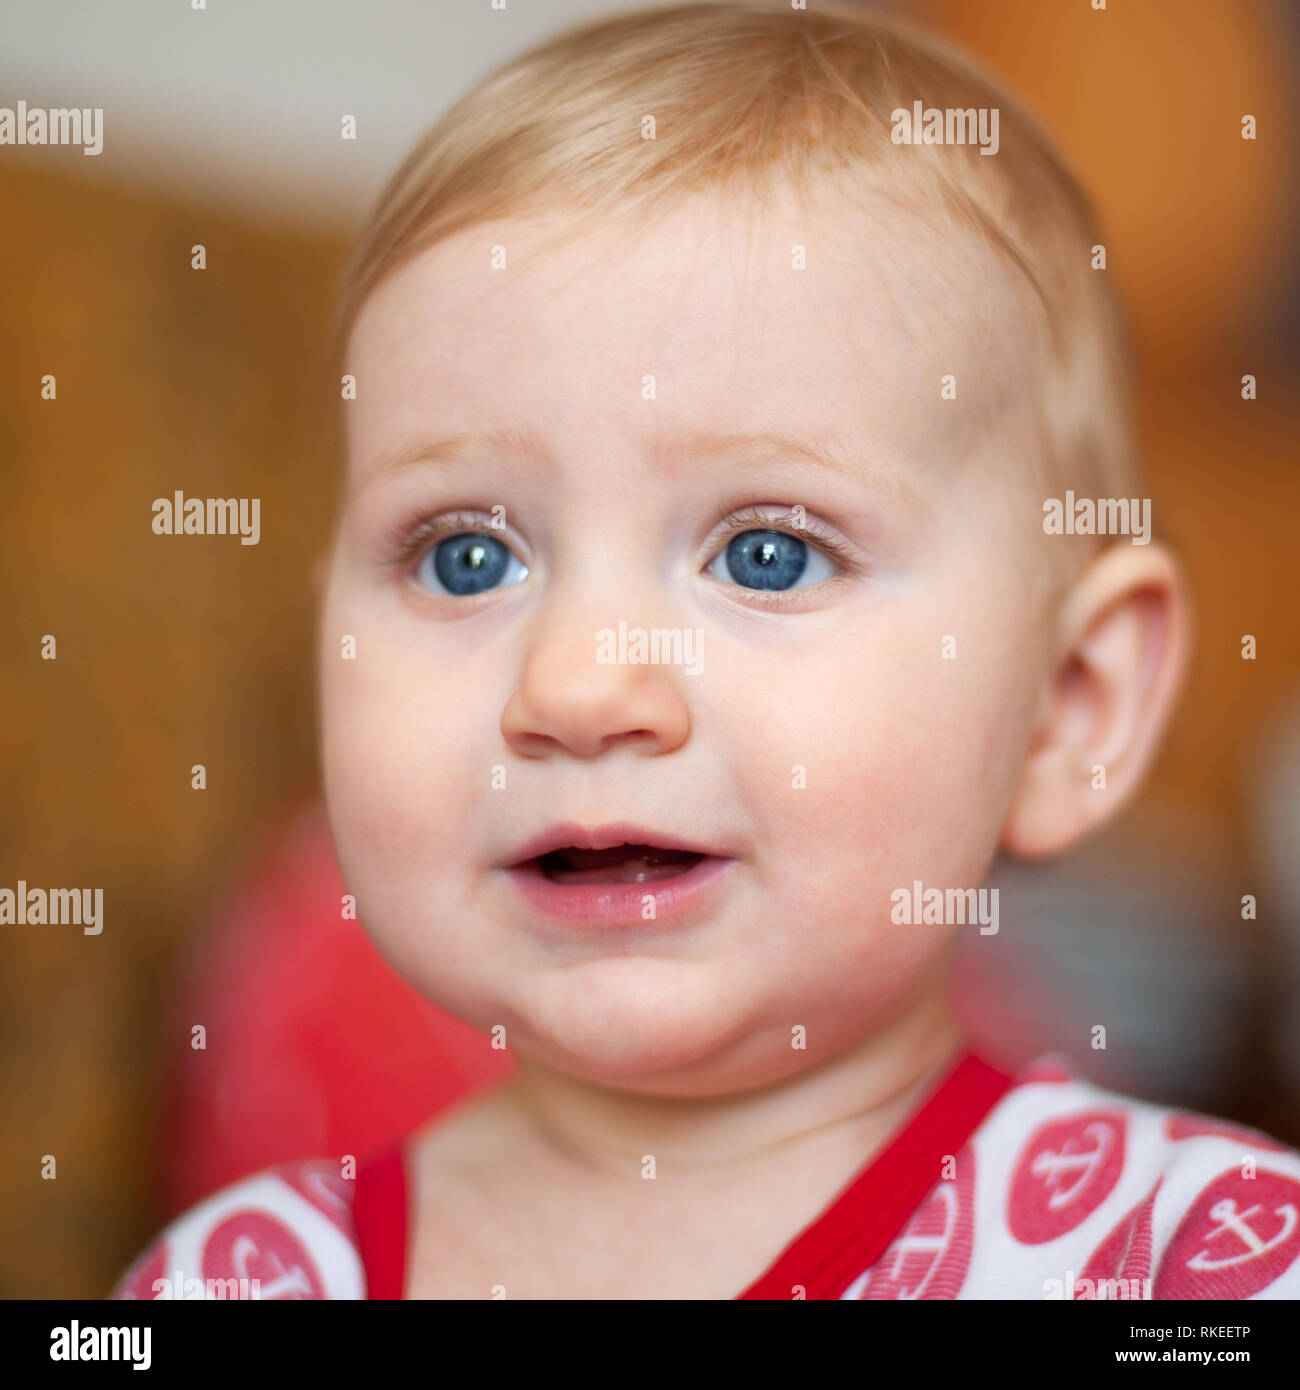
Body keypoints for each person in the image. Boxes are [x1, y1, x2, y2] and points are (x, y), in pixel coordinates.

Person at [111, 1, 1300, 1299]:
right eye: (466, 556)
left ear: (1070, 706)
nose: (576, 683)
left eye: (767, 553)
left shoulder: (1192, 1257)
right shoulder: (235, 1279)